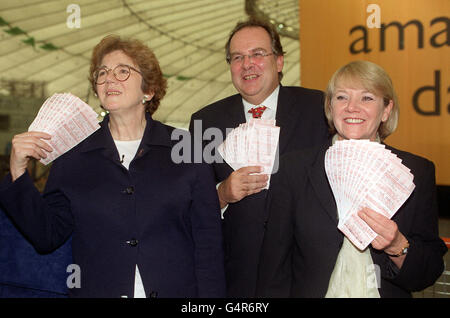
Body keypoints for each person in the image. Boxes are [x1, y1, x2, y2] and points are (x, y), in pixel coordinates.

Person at [0, 35, 226, 298]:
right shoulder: (72, 155)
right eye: (102, 73)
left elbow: (208, 244)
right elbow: (47, 235)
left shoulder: (188, 148)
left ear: (148, 90)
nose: (109, 79)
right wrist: (17, 173)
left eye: (123, 71)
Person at [257, 60, 448, 297]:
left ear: (386, 110)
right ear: (330, 107)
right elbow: (273, 267)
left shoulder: (416, 172)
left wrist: (397, 245)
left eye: (367, 98)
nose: (352, 107)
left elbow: (428, 273)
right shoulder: (294, 169)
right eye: (341, 97)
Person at [189, 18, 329, 297]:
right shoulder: (204, 121)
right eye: (238, 57)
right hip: (237, 277)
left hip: (306, 274)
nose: (247, 64)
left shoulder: (320, 109)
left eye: (257, 54)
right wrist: (221, 194)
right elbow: (188, 203)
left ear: (278, 61)